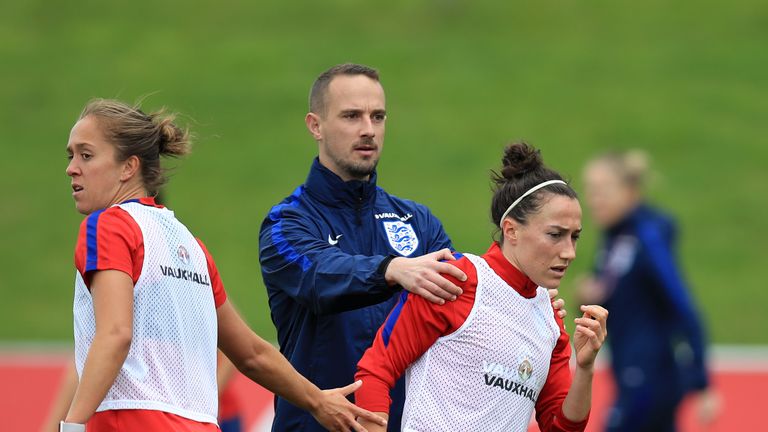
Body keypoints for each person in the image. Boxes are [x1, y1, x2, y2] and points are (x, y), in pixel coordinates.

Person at [259, 63, 568, 431]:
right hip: (317, 424)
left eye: (378, 116)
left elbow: (464, 309)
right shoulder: (287, 222)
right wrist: (391, 269)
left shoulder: (417, 223)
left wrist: (525, 305)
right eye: (351, 116)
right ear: (316, 125)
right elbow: (318, 277)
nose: (368, 130)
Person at [59, 99, 385, 432]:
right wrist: (317, 401)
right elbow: (251, 353)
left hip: (128, 422)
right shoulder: (190, 245)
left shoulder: (108, 225)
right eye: (70, 155)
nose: (72, 167)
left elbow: (115, 334)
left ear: (129, 167)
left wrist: (71, 426)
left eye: (86, 155)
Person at [354, 142, 608, 432]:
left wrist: (586, 368)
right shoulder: (456, 279)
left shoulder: (550, 321)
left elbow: (560, 427)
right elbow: (375, 370)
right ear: (511, 230)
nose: (569, 252)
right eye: (555, 234)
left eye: (574, 237)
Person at [578, 150, 718, 432]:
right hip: (629, 368)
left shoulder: (648, 237)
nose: (594, 201)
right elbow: (616, 303)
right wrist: (591, 297)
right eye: (590, 191)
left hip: (651, 373)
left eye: (603, 190)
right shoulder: (613, 238)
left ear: (630, 191)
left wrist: (701, 381)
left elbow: (682, 305)